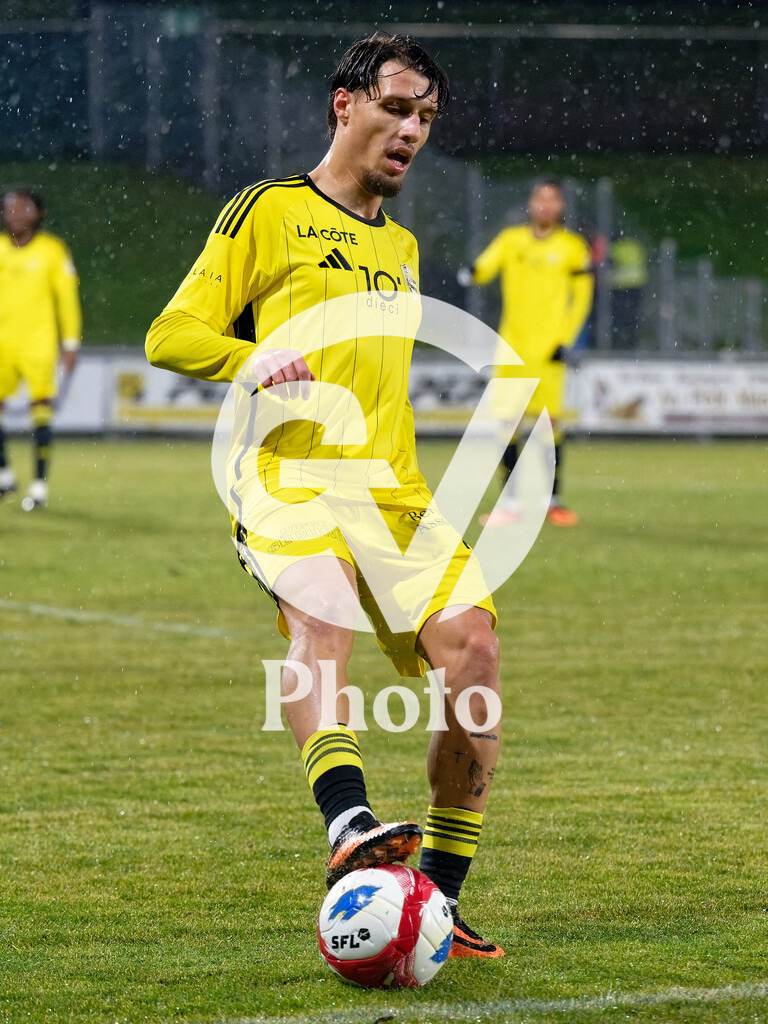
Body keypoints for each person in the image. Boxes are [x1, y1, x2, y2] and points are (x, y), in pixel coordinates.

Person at [146, 32, 504, 959]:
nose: (411, 130)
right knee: (324, 612)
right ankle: (347, 821)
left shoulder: (404, 246)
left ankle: (437, 901)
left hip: (394, 492)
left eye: (425, 117)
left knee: (474, 658)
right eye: (395, 107)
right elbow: (169, 335)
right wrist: (250, 357)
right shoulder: (268, 211)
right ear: (344, 104)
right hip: (289, 482)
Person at [459, 180, 593, 527]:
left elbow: (582, 298)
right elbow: (485, 265)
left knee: (550, 425)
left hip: (549, 351)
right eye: (540, 199)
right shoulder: (511, 240)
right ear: (531, 204)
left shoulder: (572, 248)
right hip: (512, 349)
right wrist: (471, 273)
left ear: (560, 206)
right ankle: (510, 504)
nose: (545, 206)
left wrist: (566, 339)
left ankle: (555, 501)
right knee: (508, 423)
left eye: (552, 200)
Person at [0, 188, 81, 510]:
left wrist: (71, 343)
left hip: (38, 344)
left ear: (36, 214)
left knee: (41, 413)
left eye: (20, 209)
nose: (12, 214)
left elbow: (67, 300)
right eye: (7, 208)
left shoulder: (52, 251)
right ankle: (5, 475)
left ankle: (38, 487)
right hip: (2, 345)